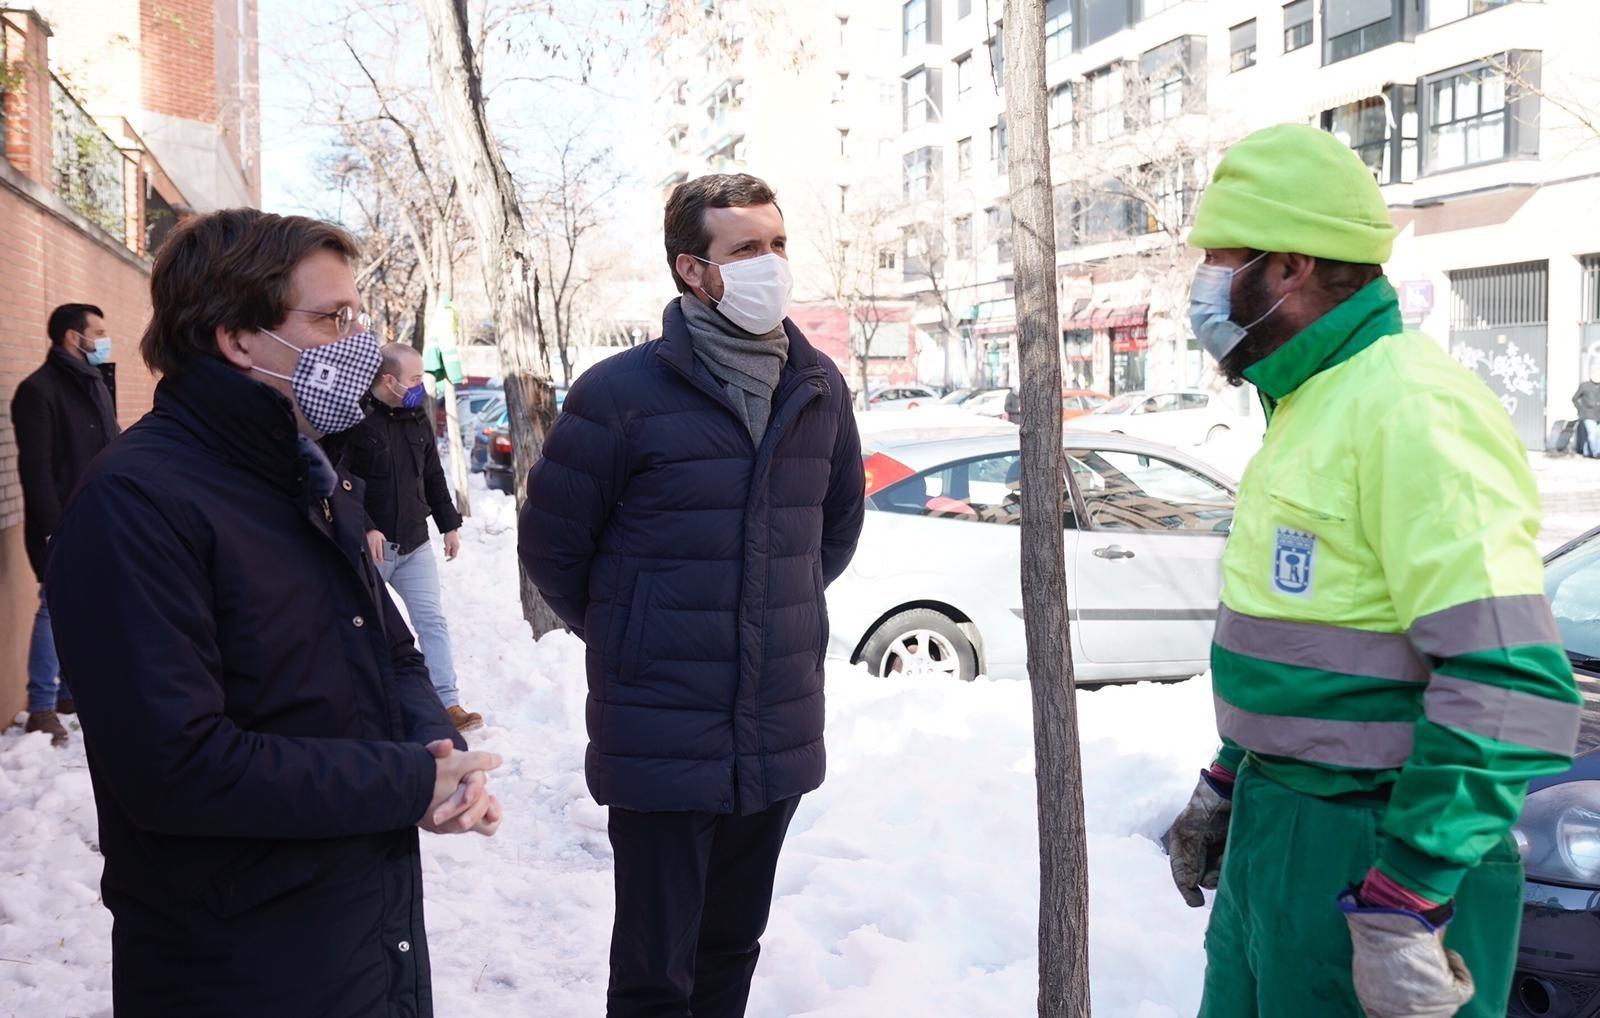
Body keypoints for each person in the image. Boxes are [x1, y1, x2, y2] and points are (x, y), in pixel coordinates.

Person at [1162, 124, 1581, 1017]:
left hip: (1374, 856)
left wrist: (1410, 896)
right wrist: (1232, 776)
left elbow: (1509, 684)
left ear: (1291, 268)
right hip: (1282, 831)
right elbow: (1322, 642)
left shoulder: (1413, 408)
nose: (1202, 287)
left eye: (1220, 259)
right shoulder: (1310, 400)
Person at [45, 208, 503, 1017]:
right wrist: (407, 781)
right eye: (331, 318)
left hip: (357, 932)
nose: (357, 341)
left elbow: (389, 648)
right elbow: (177, 769)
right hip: (236, 961)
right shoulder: (137, 503)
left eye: (356, 315)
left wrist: (435, 749)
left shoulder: (304, 474)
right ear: (236, 337)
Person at [518, 173, 865, 1018]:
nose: (771, 264)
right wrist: (635, 631)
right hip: (661, 730)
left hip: (774, 725)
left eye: (778, 244)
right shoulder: (619, 395)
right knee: (653, 972)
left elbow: (836, 530)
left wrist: (762, 611)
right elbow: (555, 549)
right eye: (745, 249)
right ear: (693, 270)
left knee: (730, 952)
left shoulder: (817, 388)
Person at [333, 341, 480, 732]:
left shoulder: (418, 418)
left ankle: (448, 704)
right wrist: (365, 526)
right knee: (369, 628)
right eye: (415, 379)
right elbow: (338, 478)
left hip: (414, 544)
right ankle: (372, 706)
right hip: (373, 550)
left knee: (432, 621)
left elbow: (432, 474)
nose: (421, 386)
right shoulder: (354, 419)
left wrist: (449, 525)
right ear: (388, 380)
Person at [10, 303, 120, 745]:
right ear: (74, 338)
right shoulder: (38, 391)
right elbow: (35, 470)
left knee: (85, 607)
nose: (103, 340)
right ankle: (40, 705)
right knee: (52, 606)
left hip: (99, 515)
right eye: (98, 332)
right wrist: (56, 529)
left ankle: (70, 694)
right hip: (61, 524)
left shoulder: (94, 383)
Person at [1572, 366, 1600, 457]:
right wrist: (1580, 409)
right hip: (1588, 414)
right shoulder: (1585, 386)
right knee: (1592, 434)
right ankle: (1596, 453)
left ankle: (1587, 452)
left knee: (1596, 435)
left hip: (1598, 415)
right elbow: (1575, 398)